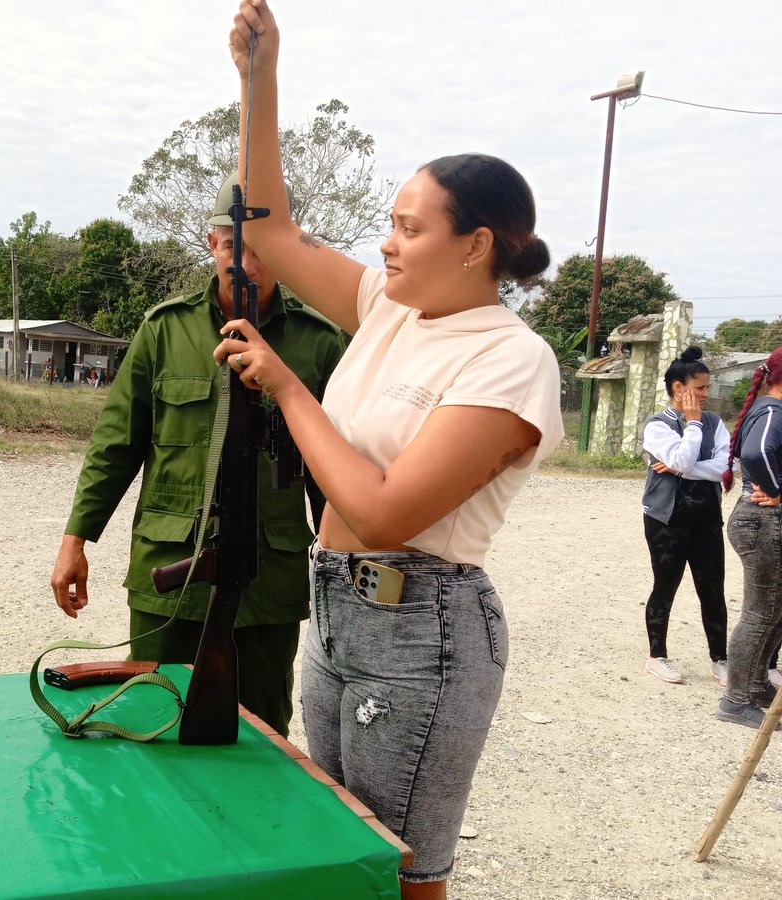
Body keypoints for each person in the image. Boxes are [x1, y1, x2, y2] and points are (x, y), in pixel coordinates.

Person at [224, 4, 564, 895]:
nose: (387, 243)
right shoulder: (391, 308)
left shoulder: (511, 360)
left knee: (405, 873)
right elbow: (269, 232)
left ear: (476, 244)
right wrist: (260, 79)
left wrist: (288, 386)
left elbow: (382, 511)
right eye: (391, 223)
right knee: (338, 842)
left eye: (410, 228)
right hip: (337, 606)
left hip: (426, 629)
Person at [49, 172, 346, 738]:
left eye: (263, 252)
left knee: (261, 736)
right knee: (151, 722)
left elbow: (330, 476)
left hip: (268, 585)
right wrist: (75, 542)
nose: (248, 266)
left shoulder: (319, 343)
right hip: (170, 574)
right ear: (213, 244)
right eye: (234, 247)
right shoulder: (165, 330)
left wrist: (342, 578)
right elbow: (117, 444)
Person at [639, 347, 730, 686]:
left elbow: (724, 466)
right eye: (701, 388)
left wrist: (683, 469)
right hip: (666, 519)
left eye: (708, 387)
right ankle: (657, 656)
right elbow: (684, 457)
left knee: (713, 589)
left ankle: (720, 660)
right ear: (679, 388)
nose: (707, 394)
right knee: (665, 586)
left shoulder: (715, 422)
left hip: (706, 517)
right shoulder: (657, 425)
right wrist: (691, 426)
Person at [714, 347, 782, 729]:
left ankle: (756, 687)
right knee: (760, 613)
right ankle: (736, 700)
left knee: (775, 611)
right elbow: (757, 452)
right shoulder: (773, 411)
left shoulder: (769, 409)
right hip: (763, 519)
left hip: (762, 520)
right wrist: (776, 489)